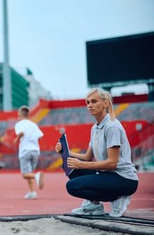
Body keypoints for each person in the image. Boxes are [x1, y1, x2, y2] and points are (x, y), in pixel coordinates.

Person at [55, 88, 139, 217]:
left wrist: (81, 165)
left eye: (94, 101)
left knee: (72, 186)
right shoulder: (95, 128)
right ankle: (94, 205)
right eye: (87, 102)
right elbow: (88, 157)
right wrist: (66, 152)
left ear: (105, 103)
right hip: (107, 175)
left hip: (124, 179)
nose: (90, 105)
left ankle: (117, 199)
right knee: (69, 165)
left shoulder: (112, 126)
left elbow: (112, 163)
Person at [14, 105, 44, 199]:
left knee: (25, 175)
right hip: (35, 151)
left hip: (25, 151)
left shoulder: (19, 124)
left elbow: (21, 133)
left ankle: (37, 175)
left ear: (19, 115)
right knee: (29, 172)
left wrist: (17, 139)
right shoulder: (34, 124)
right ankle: (32, 192)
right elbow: (40, 136)